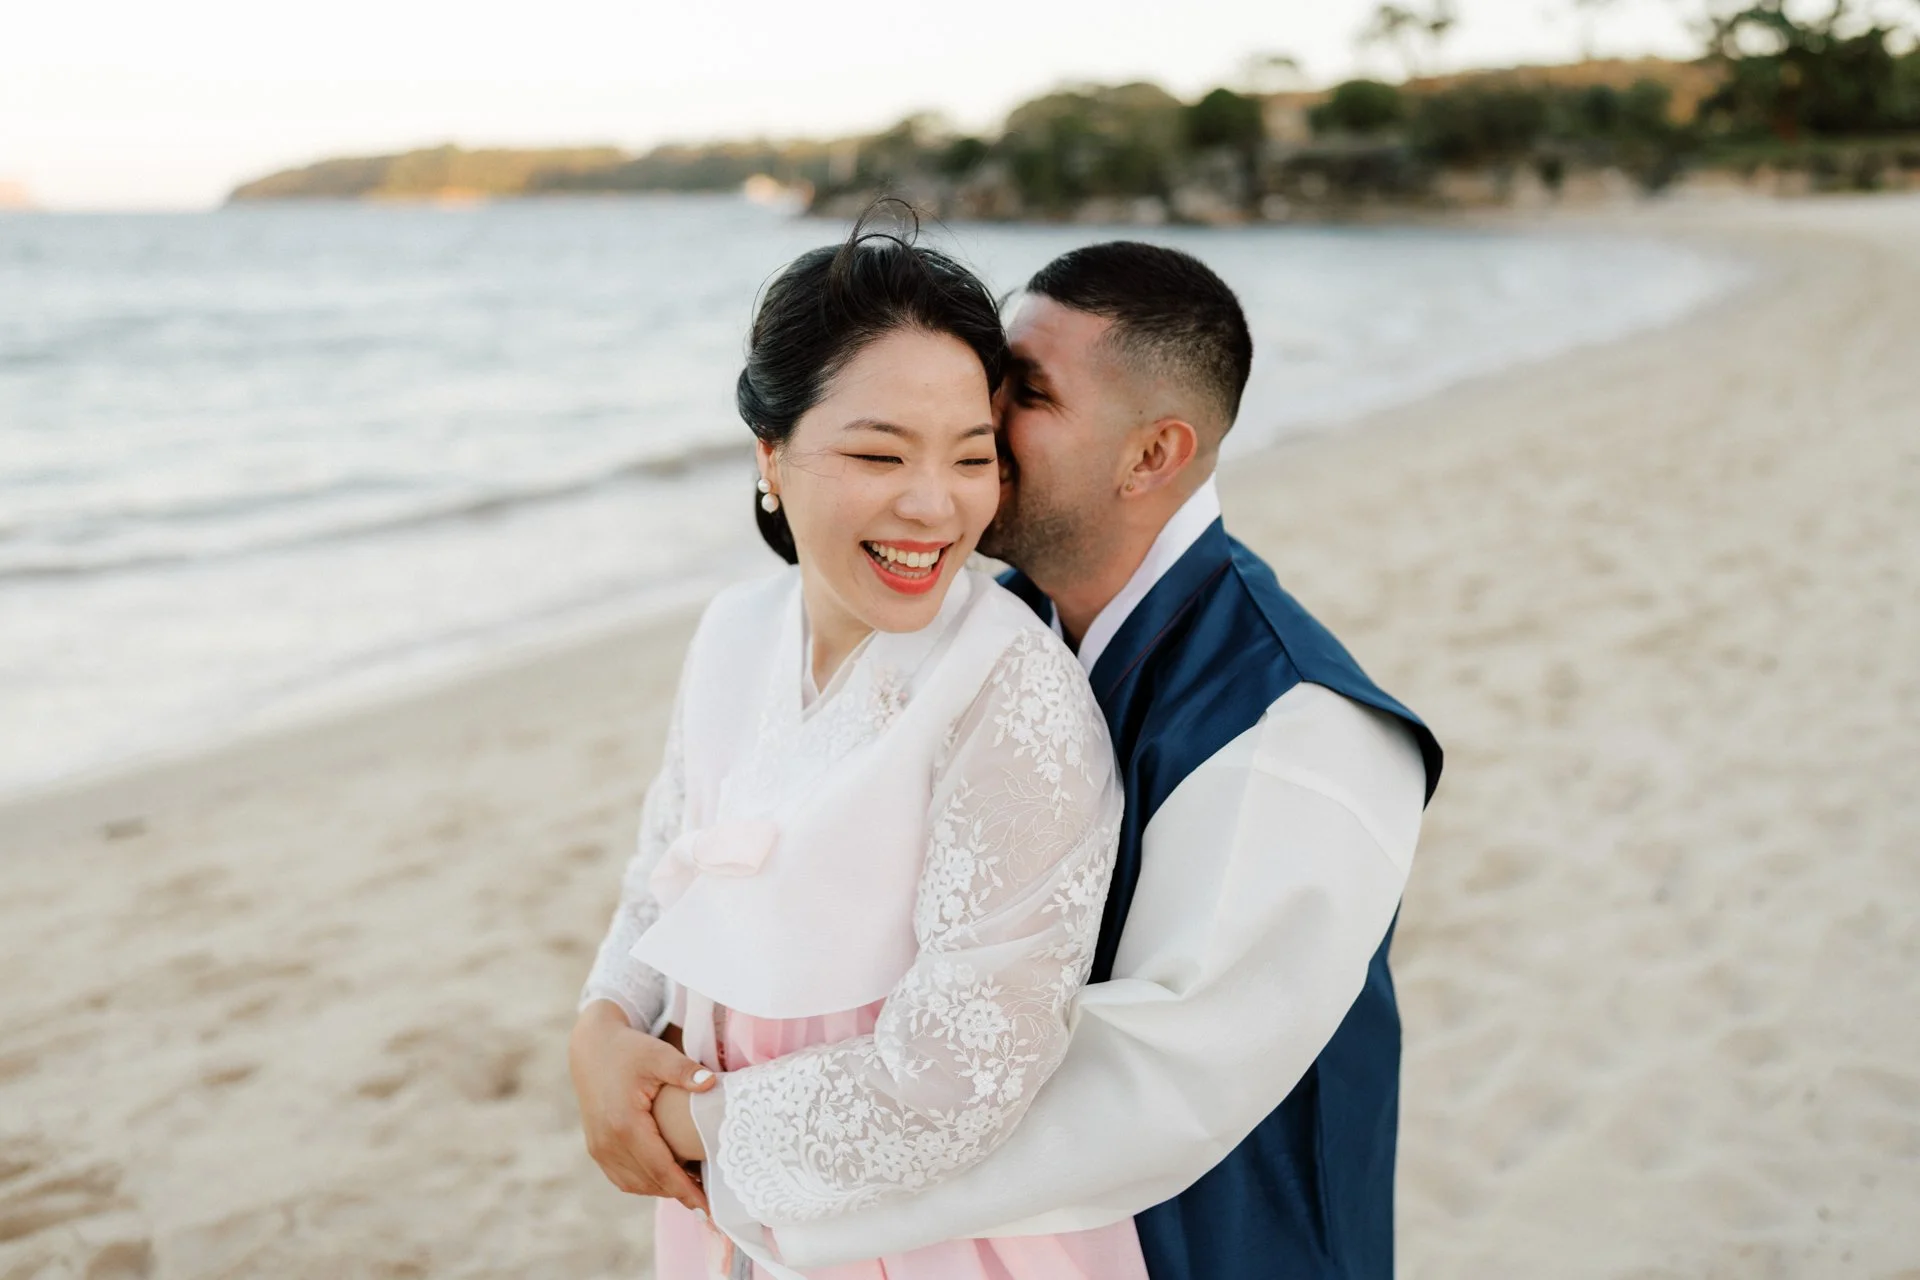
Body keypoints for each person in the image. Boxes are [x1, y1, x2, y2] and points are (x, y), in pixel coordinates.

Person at [757, 242, 1444, 1279]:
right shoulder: (985, 634)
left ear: (1151, 454)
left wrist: (740, 1149)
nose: (980, 415)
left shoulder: (1296, 726)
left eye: (1024, 391)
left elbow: (1148, 1089)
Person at [569, 220, 1151, 1279]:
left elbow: (965, 1069)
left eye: (973, 458)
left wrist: (682, 1120)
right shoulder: (732, 634)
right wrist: (603, 1025)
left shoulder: (1007, 687)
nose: (935, 504)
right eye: (879, 453)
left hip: (927, 1232)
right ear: (771, 454)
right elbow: (661, 870)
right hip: (722, 1211)